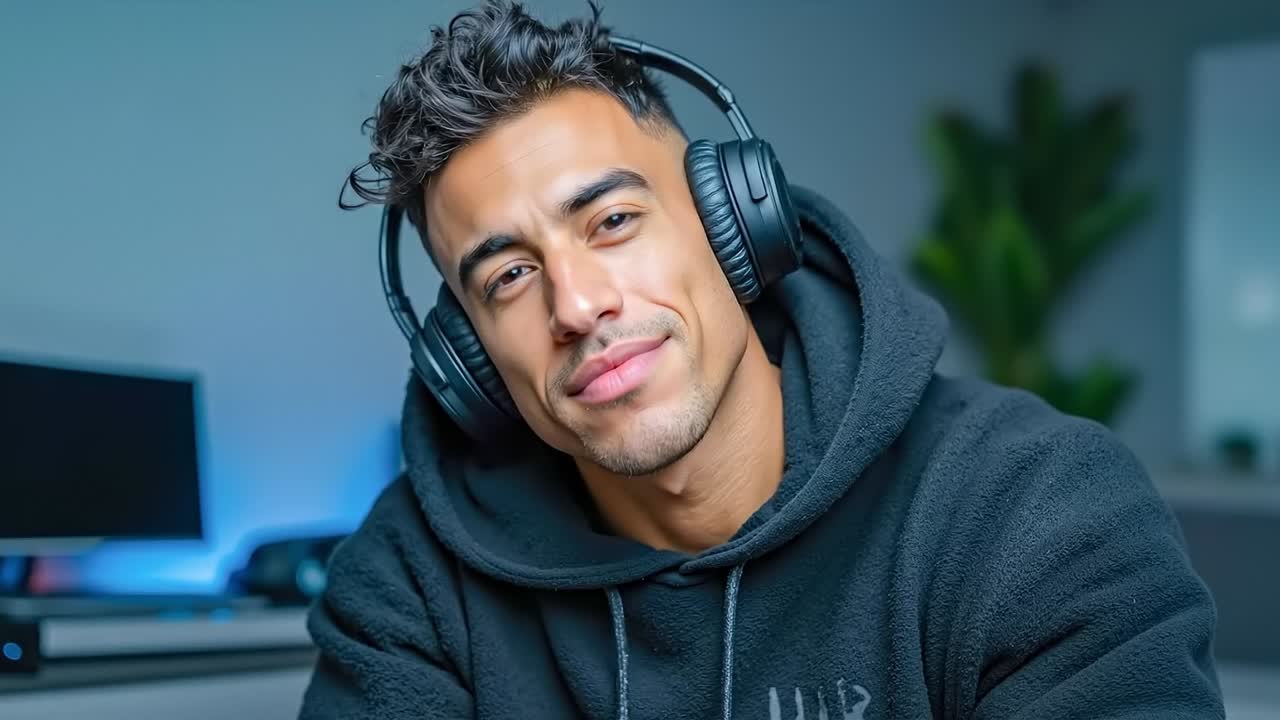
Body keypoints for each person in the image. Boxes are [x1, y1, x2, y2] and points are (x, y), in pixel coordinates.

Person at [299, 2, 1225, 718]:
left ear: (733, 224)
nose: (578, 306)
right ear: (465, 353)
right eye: (507, 276)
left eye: (613, 222)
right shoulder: (407, 582)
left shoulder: (1035, 509)